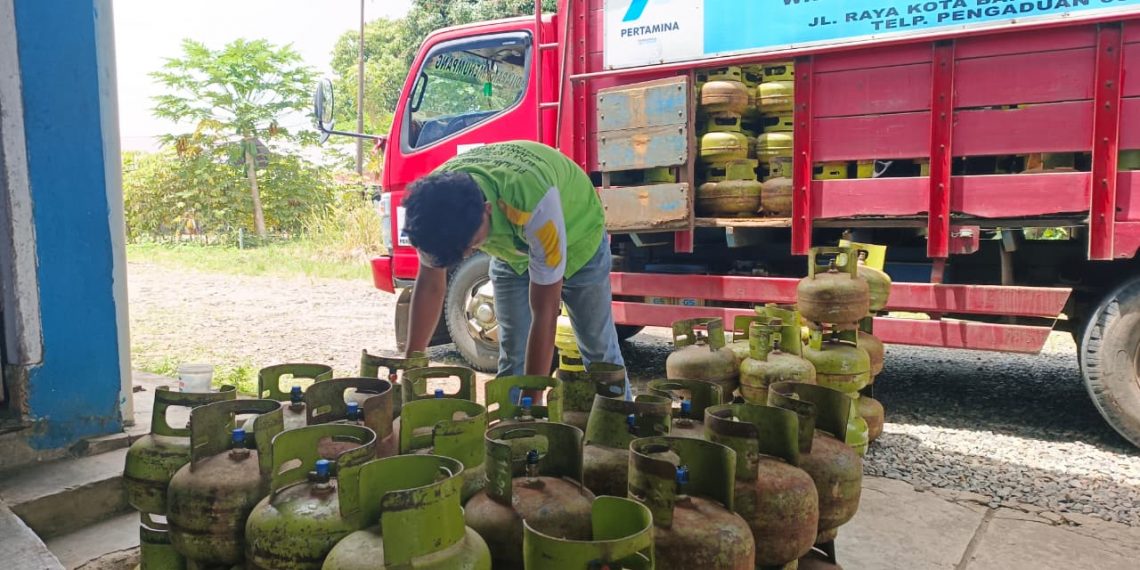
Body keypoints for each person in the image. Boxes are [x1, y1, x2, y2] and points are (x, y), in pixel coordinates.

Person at [400, 140, 628, 396]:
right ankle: (509, 425)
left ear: (487, 210)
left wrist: (533, 400)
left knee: (599, 352)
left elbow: (545, 311)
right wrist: (412, 366)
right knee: (513, 354)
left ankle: (624, 422)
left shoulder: (533, 204)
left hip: (579, 235)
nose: (469, 254)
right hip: (513, 250)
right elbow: (431, 285)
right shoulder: (432, 208)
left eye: (473, 245)